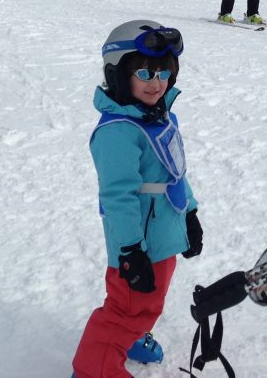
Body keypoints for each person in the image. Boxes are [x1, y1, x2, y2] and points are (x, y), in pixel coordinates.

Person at [71, 20, 202, 378]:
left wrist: (190, 214)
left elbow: (175, 172)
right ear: (118, 75)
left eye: (163, 72)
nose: (156, 83)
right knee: (125, 309)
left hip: (163, 233)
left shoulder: (160, 118)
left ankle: (132, 337)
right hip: (139, 241)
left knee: (147, 303)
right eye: (144, 72)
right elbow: (118, 197)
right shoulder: (118, 132)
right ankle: (93, 369)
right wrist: (130, 250)